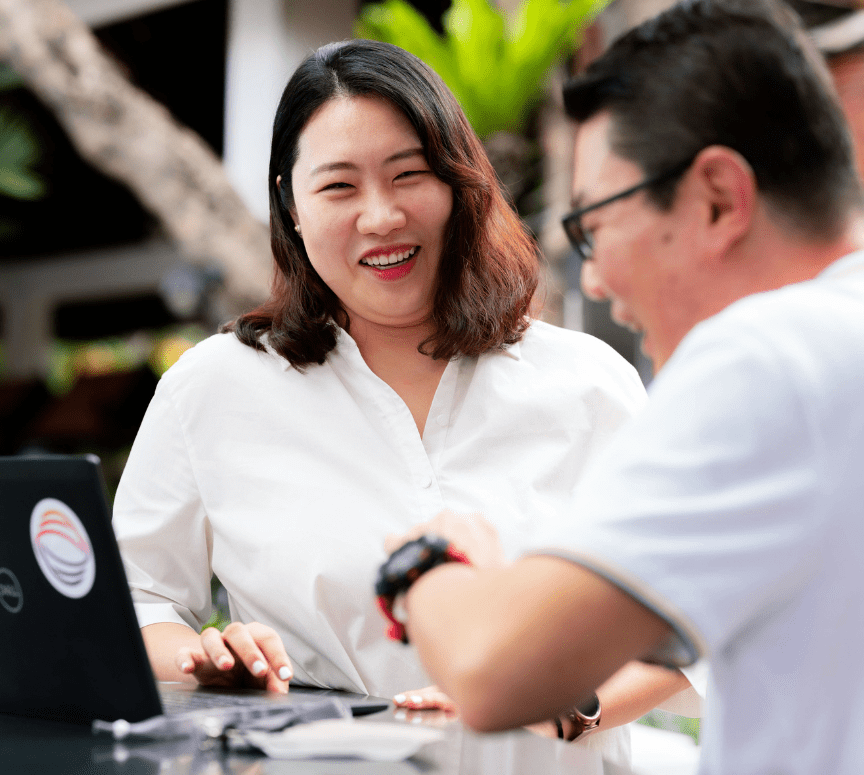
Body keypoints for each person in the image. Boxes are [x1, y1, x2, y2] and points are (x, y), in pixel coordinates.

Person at [112, 38, 693, 762]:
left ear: (460, 184)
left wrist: (555, 705)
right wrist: (205, 659)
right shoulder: (211, 388)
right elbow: (132, 603)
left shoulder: (586, 381)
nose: (381, 216)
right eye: (338, 187)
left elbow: (684, 618)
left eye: (409, 174)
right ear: (290, 206)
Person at [380, 0, 864, 775]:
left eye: (592, 225)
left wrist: (428, 562)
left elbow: (495, 671)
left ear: (717, 198)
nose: (596, 280)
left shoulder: (768, 361)